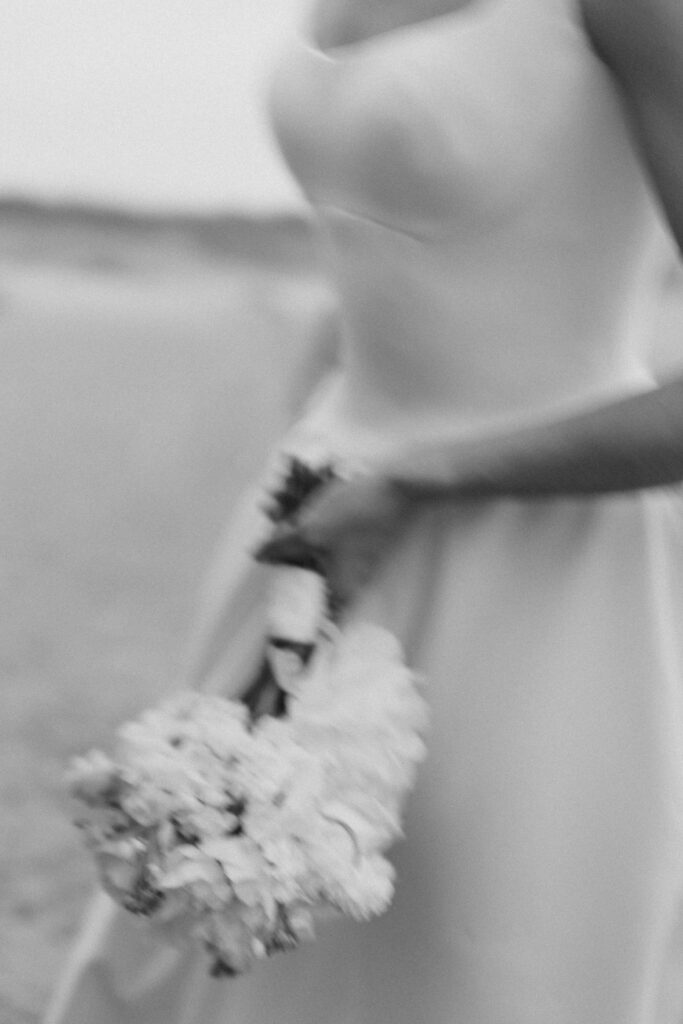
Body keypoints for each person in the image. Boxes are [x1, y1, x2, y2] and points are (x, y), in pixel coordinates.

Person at [44, 0, 683, 1021]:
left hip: (541, 566)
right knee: (227, 901)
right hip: (323, 516)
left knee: (488, 951)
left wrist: (423, 476)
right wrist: (326, 434)